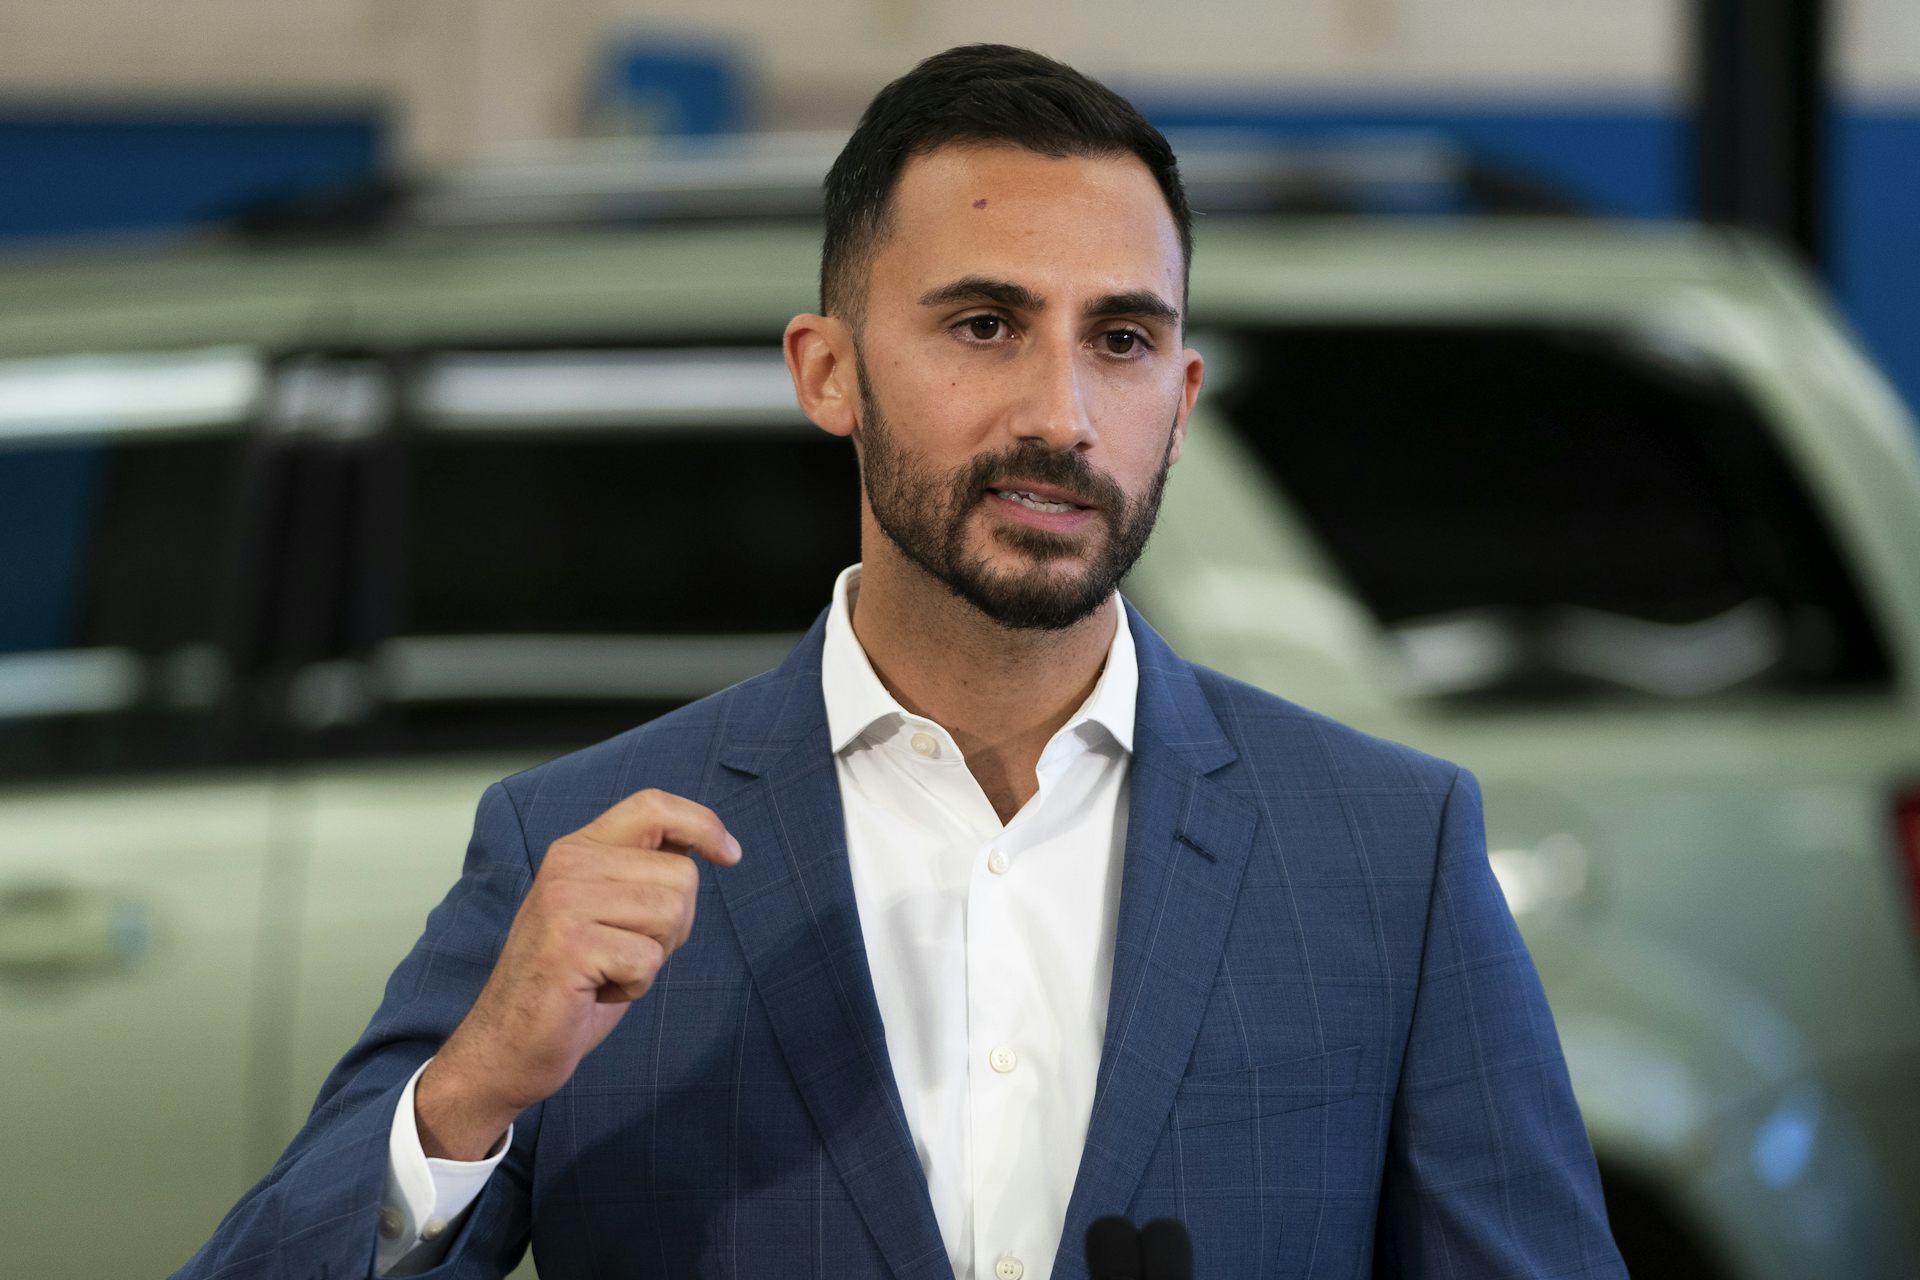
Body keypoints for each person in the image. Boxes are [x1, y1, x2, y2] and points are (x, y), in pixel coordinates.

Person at [177, 44, 1625, 1280]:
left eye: (1120, 339)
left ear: (1179, 402)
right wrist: (471, 1090)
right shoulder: (573, 849)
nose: (1060, 410)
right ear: (827, 371)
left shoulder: (1389, 854)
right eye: (985, 324)